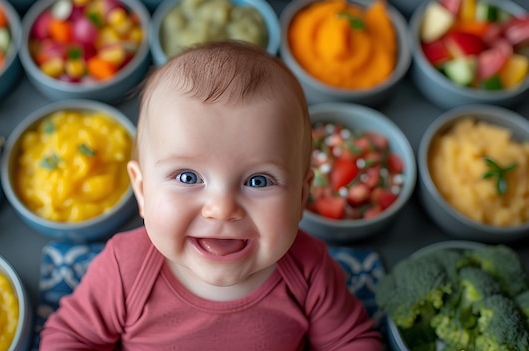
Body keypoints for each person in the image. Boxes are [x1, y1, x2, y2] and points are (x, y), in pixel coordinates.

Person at [39, 41, 383, 351]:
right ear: (142, 190)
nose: (222, 208)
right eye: (188, 177)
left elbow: (351, 340)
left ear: (302, 195)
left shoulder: (310, 270)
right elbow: (71, 338)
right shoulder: (124, 269)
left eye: (258, 181)